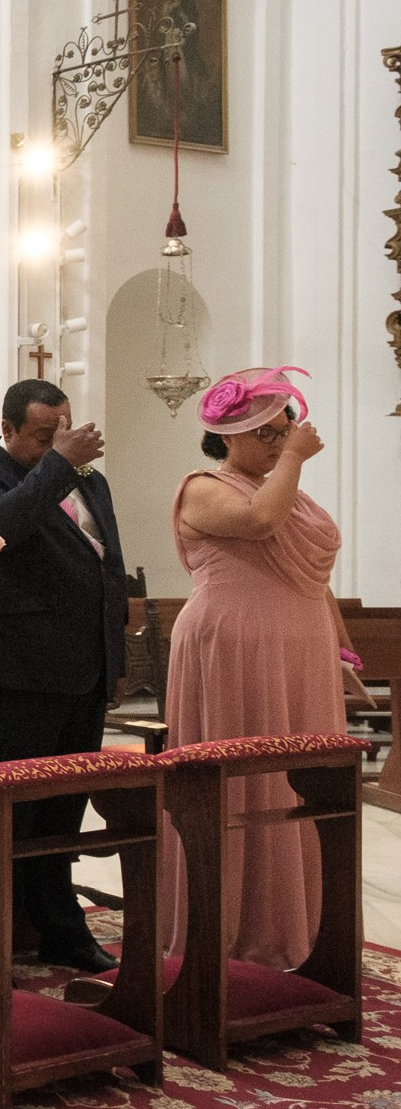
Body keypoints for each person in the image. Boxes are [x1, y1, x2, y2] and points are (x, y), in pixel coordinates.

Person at [161, 367, 353, 969]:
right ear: (227, 436)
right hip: (233, 649)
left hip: (298, 652)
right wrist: (294, 456)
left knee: (308, 783)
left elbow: (312, 580)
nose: (278, 440)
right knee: (247, 781)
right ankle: (234, 928)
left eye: (284, 429)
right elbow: (261, 522)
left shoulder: (285, 489)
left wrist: (341, 651)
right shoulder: (203, 486)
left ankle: (303, 925)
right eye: (265, 432)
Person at [0, 380, 128, 974]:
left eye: (65, 430)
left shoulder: (90, 481)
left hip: (84, 671)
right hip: (13, 672)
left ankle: (61, 932)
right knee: (7, 816)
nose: (60, 443)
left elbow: (107, 570)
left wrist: (113, 661)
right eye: (46, 435)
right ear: (9, 428)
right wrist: (57, 466)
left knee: (62, 815)